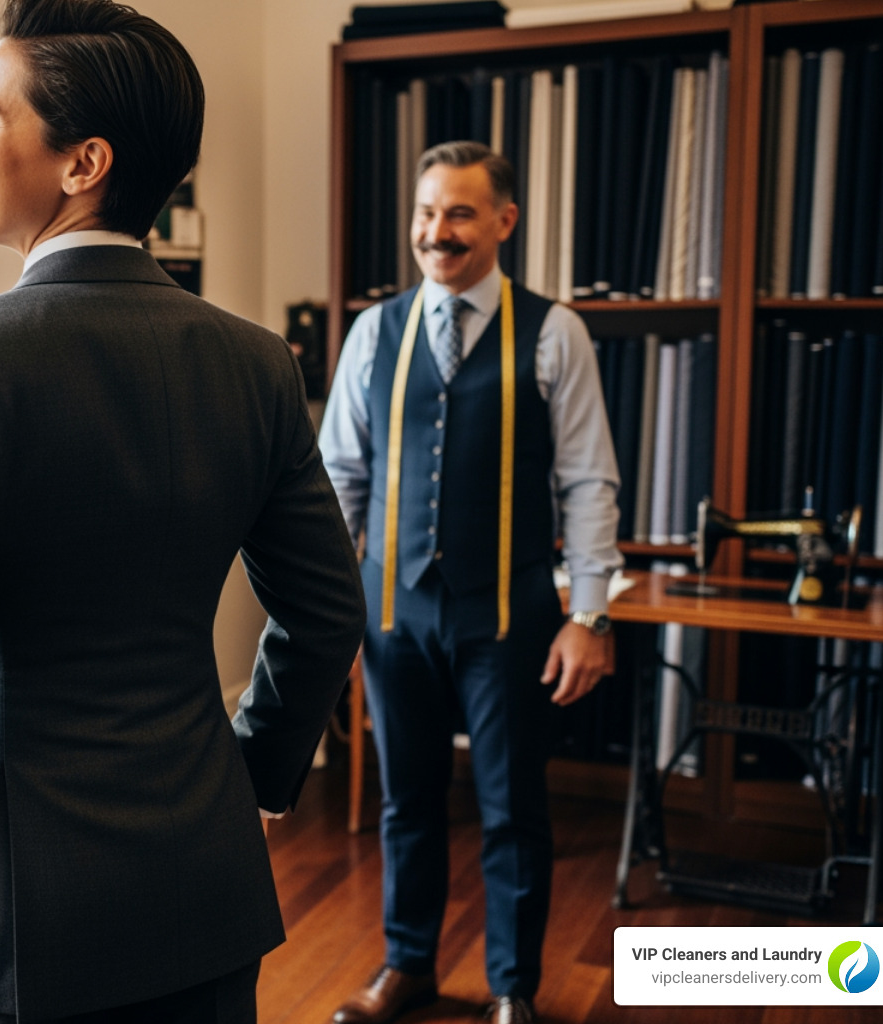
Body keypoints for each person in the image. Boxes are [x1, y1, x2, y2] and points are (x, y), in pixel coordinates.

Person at [0, 2, 366, 1021]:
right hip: (205, 880)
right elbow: (327, 611)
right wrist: (254, 780)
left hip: (8, 908)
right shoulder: (254, 364)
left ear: (82, 163)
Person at [319, 142, 621, 1024]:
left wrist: (590, 616)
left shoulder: (557, 331)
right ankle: (407, 964)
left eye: (456, 213)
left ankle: (513, 988)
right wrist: (329, 614)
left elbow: (588, 481)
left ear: (503, 221)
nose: (434, 232)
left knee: (510, 803)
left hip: (508, 611)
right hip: (391, 608)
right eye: (424, 213)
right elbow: (342, 477)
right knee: (404, 797)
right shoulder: (375, 331)